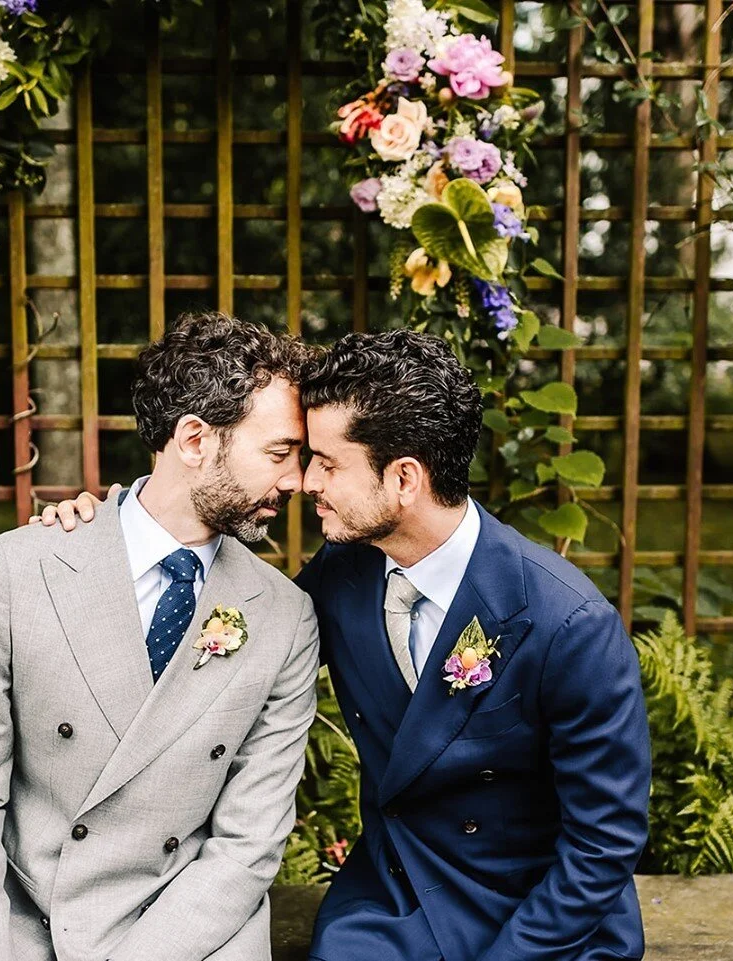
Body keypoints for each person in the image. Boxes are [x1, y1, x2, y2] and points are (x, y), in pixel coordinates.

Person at [38, 328, 652, 961]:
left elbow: (603, 844)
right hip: (393, 907)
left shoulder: (568, 624)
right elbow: (233, 636)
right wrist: (111, 531)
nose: (305, 483)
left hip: (545, 921)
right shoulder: (344, 575)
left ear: (405, 478)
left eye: (328, 463)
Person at [0, 312, 321, 961]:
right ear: (194, 440)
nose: (298, 480)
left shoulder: (284, 617)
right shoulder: (15, 571)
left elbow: (247, 846)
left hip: (192, 934)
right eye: (279, 452)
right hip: (22, 922)